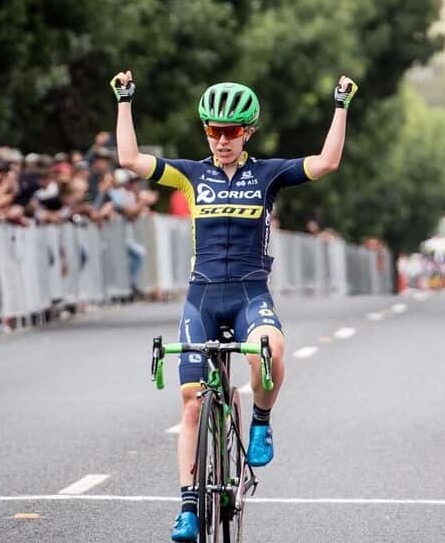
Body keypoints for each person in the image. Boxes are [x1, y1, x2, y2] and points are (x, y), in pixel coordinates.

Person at [110, 69, 358, 543]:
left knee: (270, 354)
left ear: (248, 132)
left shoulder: (267, 176)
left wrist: (340, 105)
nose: (221, 140)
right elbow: (129, 157)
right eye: (213, 131)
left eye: (231, 131)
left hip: (249, 296)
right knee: (189, 403)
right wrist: (125, 99)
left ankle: (261, 422)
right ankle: (186, 508)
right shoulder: (191, 174)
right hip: (202, 298)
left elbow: (326, 163)